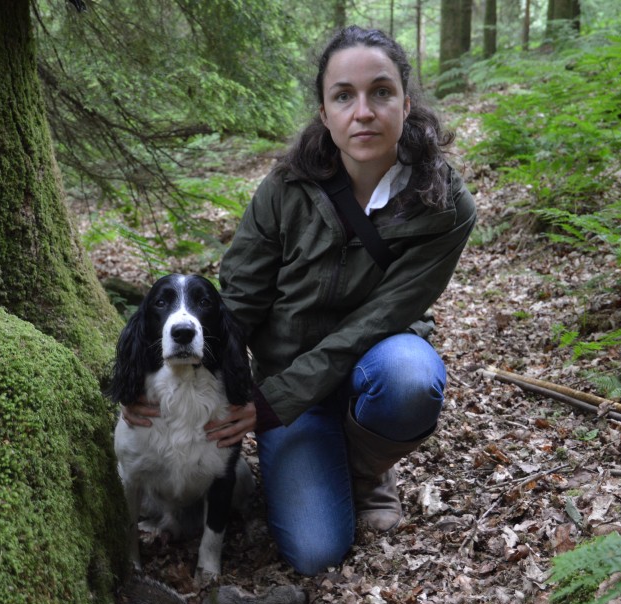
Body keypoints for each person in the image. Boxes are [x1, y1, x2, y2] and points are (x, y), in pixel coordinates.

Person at [122, 26, 475, 576]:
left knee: (409, 379)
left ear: (407, 103)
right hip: (290, 389)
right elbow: (232, 306)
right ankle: (317, 458)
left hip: (372, 363)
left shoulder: (445, 203)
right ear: (324, 112)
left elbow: (381, 319)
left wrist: (267, 404)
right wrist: (138, 380)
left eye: (381, 92)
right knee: (314, 553)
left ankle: (367, 471)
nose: (363, 111)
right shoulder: (284, 190)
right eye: (344, 96)